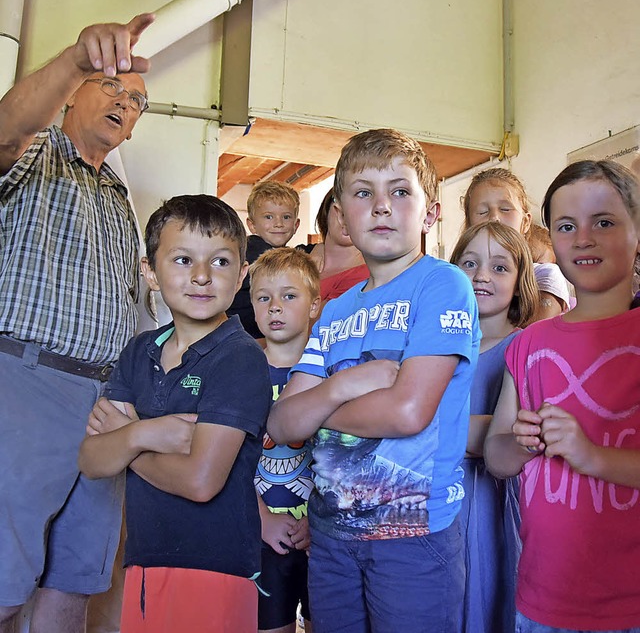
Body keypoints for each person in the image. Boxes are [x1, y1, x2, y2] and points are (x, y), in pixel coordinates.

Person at [268, 128, 481, 633]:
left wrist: (319, 404)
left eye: (400, 191)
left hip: (413, 533)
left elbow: (407, 413)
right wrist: (346, 385)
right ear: (341, 215)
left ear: (431, 213)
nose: (382, 206)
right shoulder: (337, 309)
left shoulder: (443, 284)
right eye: (363, 192)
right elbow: (282, 422)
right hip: (331, 534)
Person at [0, 13, 154, 633]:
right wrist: (72, 60)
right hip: (25, 384)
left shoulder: (120, 196)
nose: (125, 102)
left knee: (76, 584)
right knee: (5, 587)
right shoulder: (33, 155)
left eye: (137, 101)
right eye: (111, 85)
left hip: (105, 403)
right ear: (74, 91)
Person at [78, 195, 271, 633]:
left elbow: (201, 482)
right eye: (183, 259)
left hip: (215, 566)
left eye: (220, 262)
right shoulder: (138, 353)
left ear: (242, 275)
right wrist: (147, 433)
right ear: (150, 271)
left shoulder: (238, 357)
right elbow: (91, 460)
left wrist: (127, 439)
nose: (201, 276)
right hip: (145, 561)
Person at [484, 160, 640, 632]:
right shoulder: (529, 343)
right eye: (568, 226)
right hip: (540, 598)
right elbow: (496, 456)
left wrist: (590, 456)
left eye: (605, 222)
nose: (584, 238)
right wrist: (519, 440)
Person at [449, 221, 539, 633]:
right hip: (439, 498)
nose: (482, 275)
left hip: (493, 502)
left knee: (488, 594)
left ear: (520, 281)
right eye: (470, 263)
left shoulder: (525, 347)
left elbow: (518, 435)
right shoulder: (438, 349)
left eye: (500, 267)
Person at [250, 247, 321, 633]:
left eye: (289, 296)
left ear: (314, 305)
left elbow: (342, 455)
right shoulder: (242, 373)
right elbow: (231, 456)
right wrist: (262, 518)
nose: (275, 307)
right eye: (264, 297)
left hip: (321, 534)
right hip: (263, 534)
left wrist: (318, 519)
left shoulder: (330, 373)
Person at [462, 167, 571, 319]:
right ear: (469, 224)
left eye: (505, 209)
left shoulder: (544, 275)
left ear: (525, 222)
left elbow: (536, 335)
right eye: (482, 212)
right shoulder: (460, 275)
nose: (494, 218)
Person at [227, 180, 301, 339]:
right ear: (252, 225)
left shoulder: (284, 253)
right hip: (245, 334)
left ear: (296, 225)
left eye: (286, 217)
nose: (279, 224)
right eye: (269, 217)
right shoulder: (253, 251)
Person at [304, 188, 369, 307]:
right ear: (327, 210)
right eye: (342, 210)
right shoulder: (303, 254)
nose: (349, 219)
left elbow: (319, 323)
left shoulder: (365, 276)